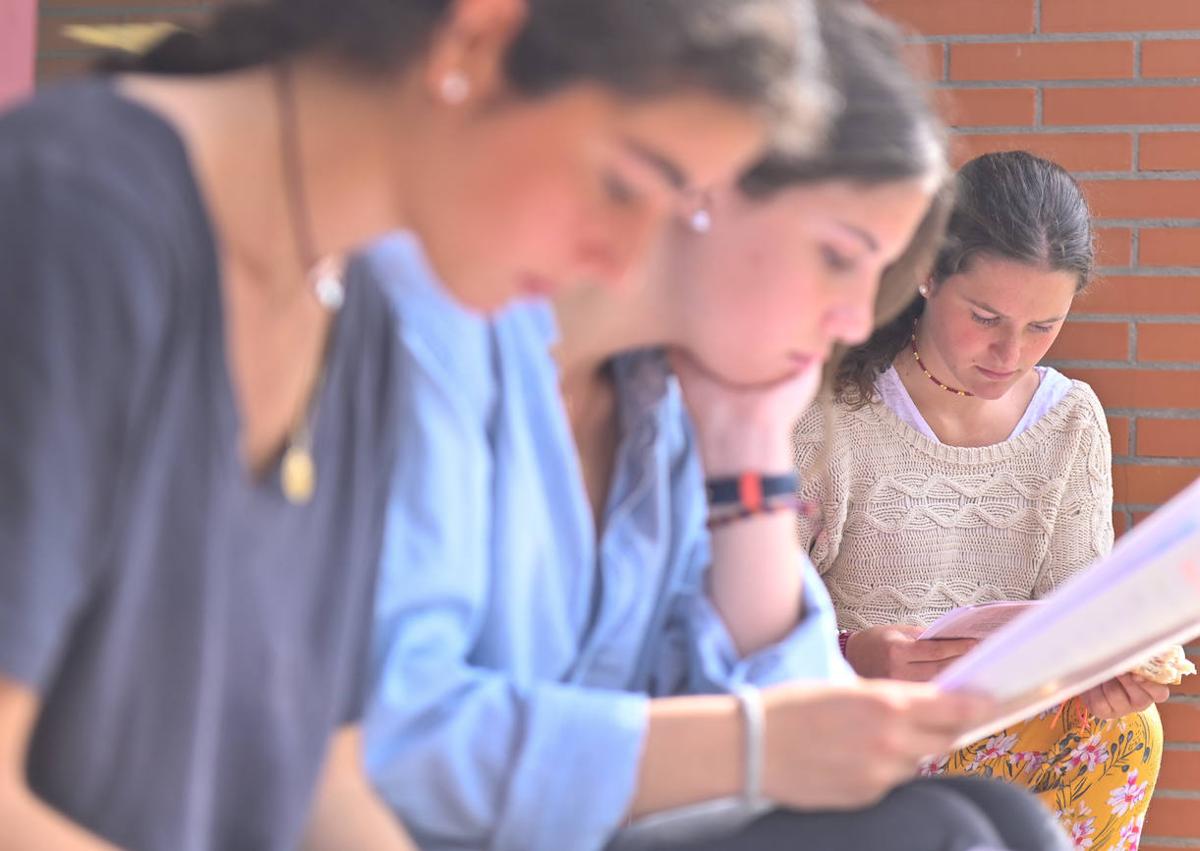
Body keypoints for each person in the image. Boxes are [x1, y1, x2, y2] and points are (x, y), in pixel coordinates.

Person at [0, 0, 822, 847]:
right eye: (623, 184)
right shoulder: (72, 215)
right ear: (476, 38)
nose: (620, 260)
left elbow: (328, 784)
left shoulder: (345, 312)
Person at [364, 5, 1071, 850]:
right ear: (710, 180)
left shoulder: (660, 402)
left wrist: (748, 451)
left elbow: (800, 728)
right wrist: (753, 747)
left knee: (1001, 821)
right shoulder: (433, 334)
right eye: (839, 255)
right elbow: (388, 738)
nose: (852, 320)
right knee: (950, 833)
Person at [794, 150, 1167, 851]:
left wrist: (1108, 672)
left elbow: (1076, 615)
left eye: (1042, 326)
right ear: (929, 274)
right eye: (987, 316)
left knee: (1128, 729)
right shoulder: (827, 411)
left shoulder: (1070, 421)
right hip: (853, 730)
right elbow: (743, 625)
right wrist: (848, 654)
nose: (1010, 351)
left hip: (1001, 731)